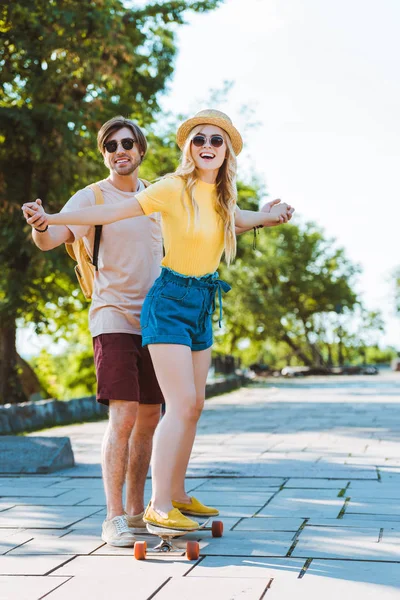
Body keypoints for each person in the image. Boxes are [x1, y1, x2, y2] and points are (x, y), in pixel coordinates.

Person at [23, 109, 294, 533]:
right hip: (117, 313)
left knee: (156, 414)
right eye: (110, 146)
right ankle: (118, 516)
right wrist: (47, 220)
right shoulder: (100, 197)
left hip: (170, 311)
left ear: (141, 150)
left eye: (126, 143)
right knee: (126, 414)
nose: (118, 151)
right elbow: (58, 237)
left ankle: (143, 509)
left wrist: (264, 216)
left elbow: (219, 223)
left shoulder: (173, 191)